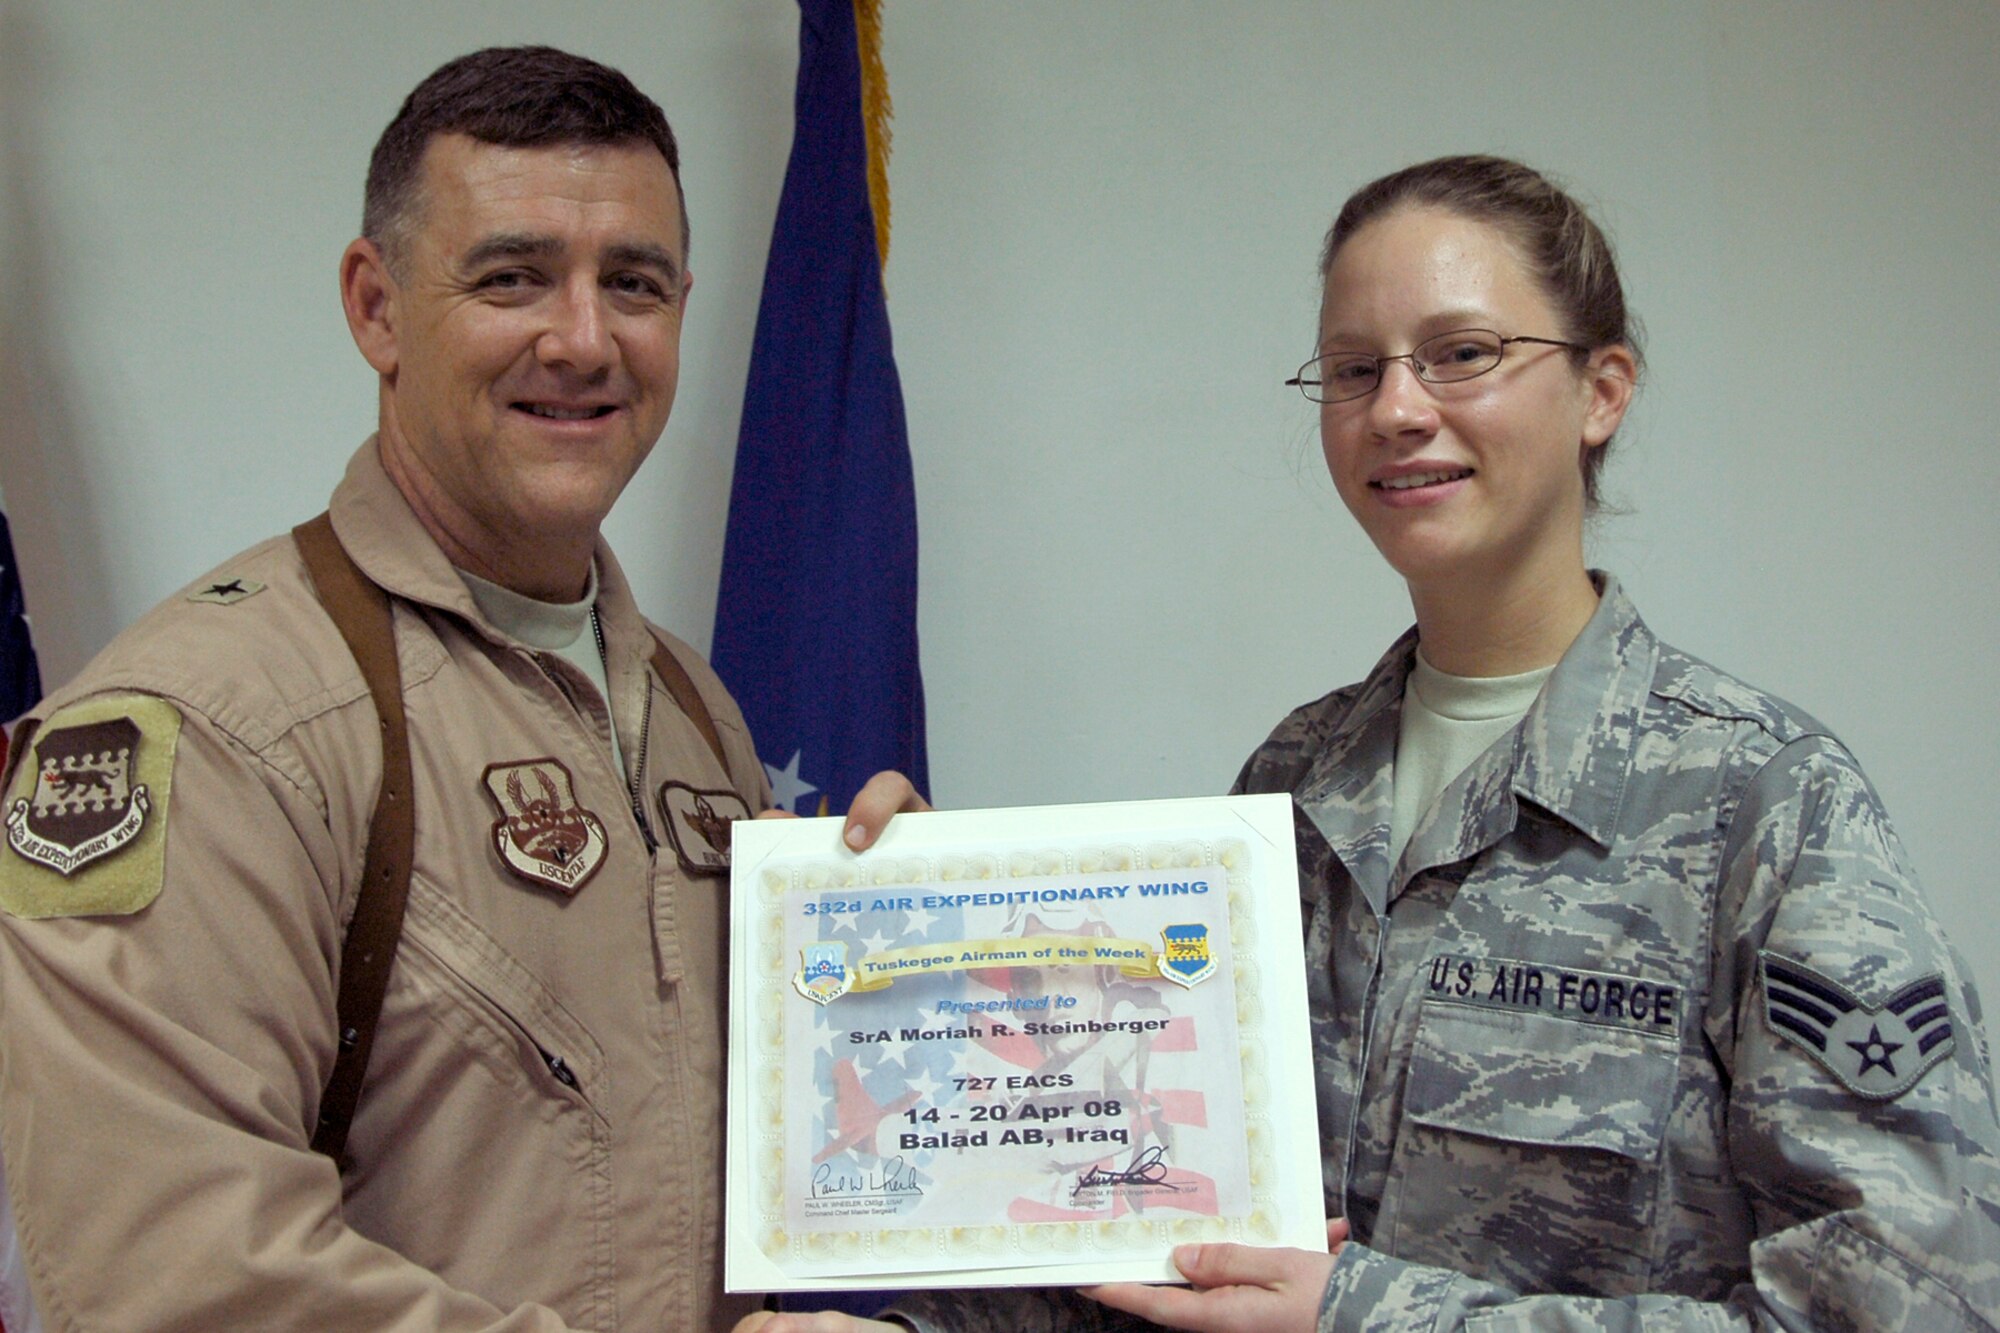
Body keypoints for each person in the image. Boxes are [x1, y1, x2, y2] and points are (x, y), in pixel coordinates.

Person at [749, 156, 2000, 1332]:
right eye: (1353, 371)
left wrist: (1360, 1312)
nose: (1397, 410)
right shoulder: (1291, 784)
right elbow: (1170, 1234)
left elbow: (1916, 1304)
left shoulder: (1765, 801)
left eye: (1462, 354)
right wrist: (909, 937)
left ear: (1600, 391)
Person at [0, 46, 919, 1331]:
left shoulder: (697, 714)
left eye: (635, 285)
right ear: (375, 306)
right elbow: (175, 1278)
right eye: (512, 277)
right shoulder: (205, 722)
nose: (584, 338)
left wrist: (907, 971)